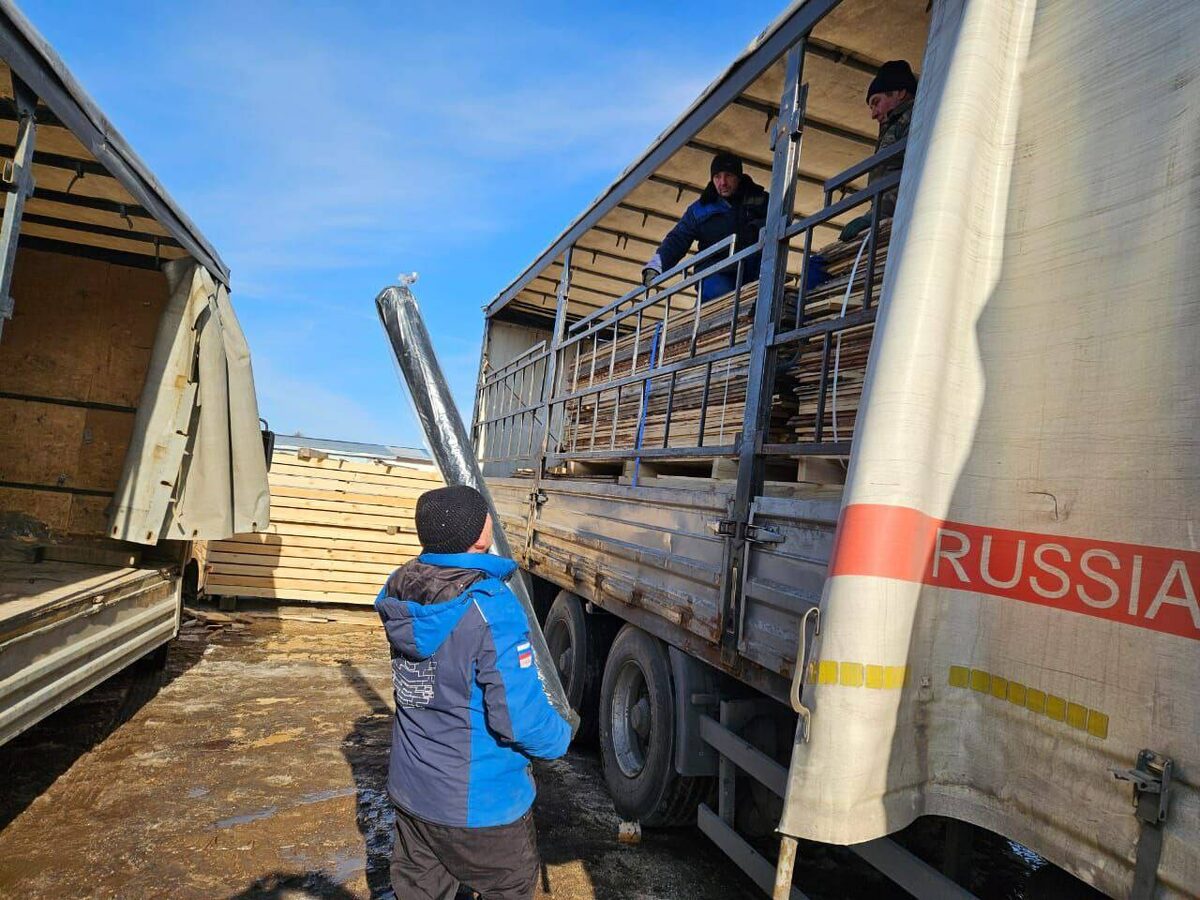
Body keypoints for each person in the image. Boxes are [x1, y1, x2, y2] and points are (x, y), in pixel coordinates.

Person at [375, 484, 572, 900]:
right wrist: (560, 737)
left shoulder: (401, 593)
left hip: (414, 793)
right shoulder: (489, 606)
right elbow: (517, 717)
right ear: (482, 534)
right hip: (481, 805)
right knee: (510, 887)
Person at [641, 151, 769, 301]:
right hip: (715, 275)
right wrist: (655, 266)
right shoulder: (699, 210)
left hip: (754, 273)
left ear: (738, 177)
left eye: (728, 175)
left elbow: (782, 217)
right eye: (717, 177)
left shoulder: (761, 199)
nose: (722, 182)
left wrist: (756, 228)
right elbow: (677, 239)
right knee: (721, 295)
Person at [839, 59, 918, 241]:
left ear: (899, 92)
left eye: (876, 102)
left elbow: (914, 176)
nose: (873, 113)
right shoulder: (894, 125)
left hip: (902, 221)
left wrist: (875, 217)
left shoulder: (915, 118)